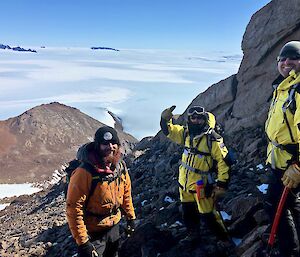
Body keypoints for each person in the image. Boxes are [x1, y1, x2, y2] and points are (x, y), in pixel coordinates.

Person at [160, 105, 231, 244]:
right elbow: (168, 131)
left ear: (204, 119)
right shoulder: (186, 134)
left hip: (202, 185)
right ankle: (193, 235)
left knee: (209, 214)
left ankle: (224, 239)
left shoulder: (212, 139)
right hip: (184, 184)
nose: (196, 120)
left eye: (199, 118)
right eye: (193, 117)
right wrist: (164, 119)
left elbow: (224, 162)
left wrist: (222, 184)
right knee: (188, 212)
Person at [66, 126, 136, 257]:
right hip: (93, 232)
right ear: (97, 145)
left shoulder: (120, 167)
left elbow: (126, 194)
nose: (110, 147)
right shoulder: (85, 172)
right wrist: (83, 243)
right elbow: (74, 207)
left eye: (113, 143)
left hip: (113, 226)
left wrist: (131, 218)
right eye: (105, 144)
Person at [264, 41, 300, 256]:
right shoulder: (283, 87)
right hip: (282, 160)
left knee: (275, 204)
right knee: (290, 203)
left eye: (293, 58)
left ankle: (291, 252)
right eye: (282, 59)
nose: (286, 62)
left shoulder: (298, 90)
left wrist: (298, 166)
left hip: (292, 164)